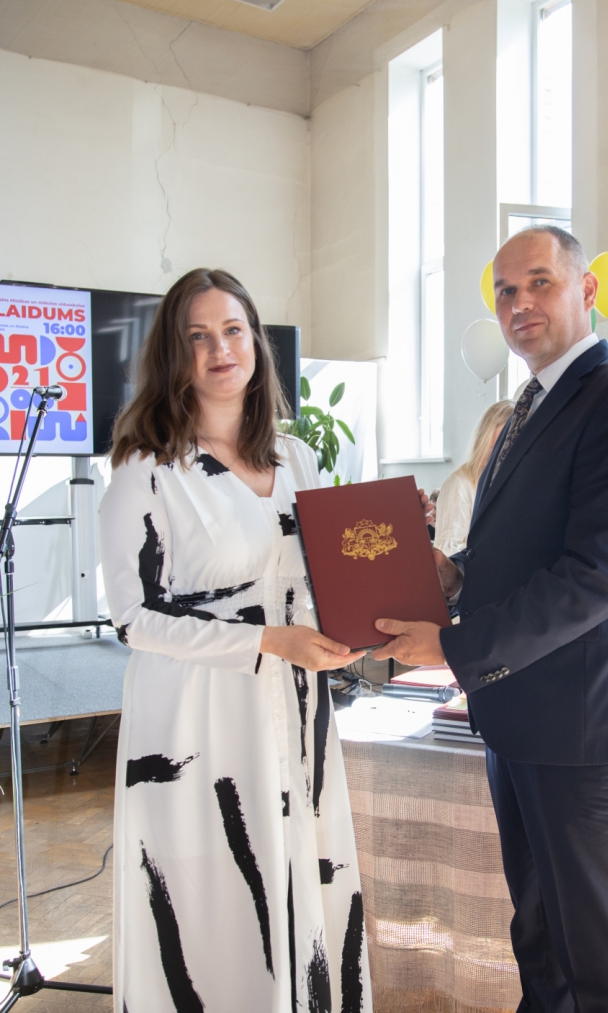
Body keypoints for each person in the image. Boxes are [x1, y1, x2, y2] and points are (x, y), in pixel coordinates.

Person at [371, 227, 608, 1013]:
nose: (519, 303)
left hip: (580, 729)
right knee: (540, 939)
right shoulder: (524, 412)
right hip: (518, 720)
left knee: (598, 955)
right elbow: (520, 554)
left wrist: (454, 647)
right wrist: (446, 573)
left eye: (540, 281)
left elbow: (593, 577)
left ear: (587, 291)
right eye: (505, 290)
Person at [99, 268, 373, 1013]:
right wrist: (266, 642)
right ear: (173, 354)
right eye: (198, 337)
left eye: (232, 330)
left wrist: (375, 586)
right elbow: (132, 619)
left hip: (295, 704)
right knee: (215, 898)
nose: (219, 350)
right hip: (198, 716)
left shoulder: (296, 457)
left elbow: (318, 576)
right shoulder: (147, 468)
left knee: (299, 873)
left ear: (255, 342)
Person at [434, 400, 514, 555]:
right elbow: (448, 554)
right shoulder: (460, 484)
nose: (505, 453)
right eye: (499, 445)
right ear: (484, 442)